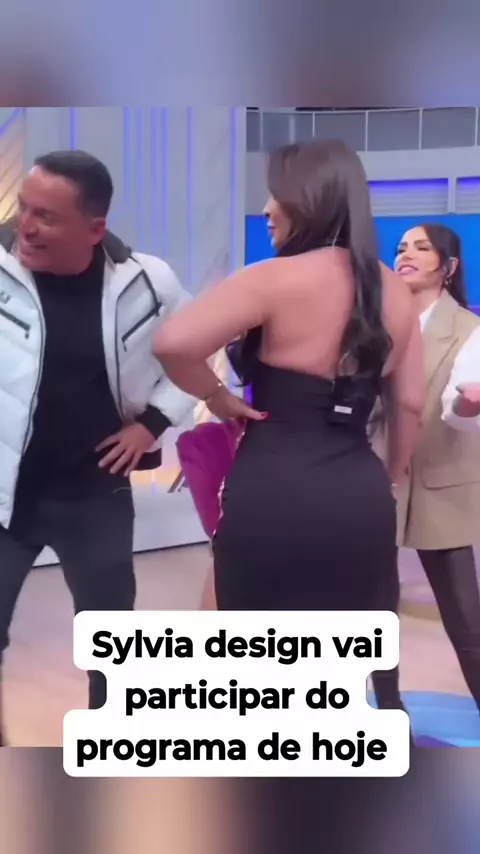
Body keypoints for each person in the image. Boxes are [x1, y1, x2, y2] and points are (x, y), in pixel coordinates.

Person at [154, 141, 424, 625]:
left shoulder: (271, 278)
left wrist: (215, 396)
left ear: (311, 198)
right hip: (361, 495)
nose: (266, 209)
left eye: (276, 195)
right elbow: (409, 404)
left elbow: (172, 345)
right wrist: (389, 480)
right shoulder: (397, 292)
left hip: (274, 487)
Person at [0, 150, 195, 743]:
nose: (25, 226)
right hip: (6, 499)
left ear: (94, 228)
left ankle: (110, 753)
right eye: (23, 208)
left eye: (46, 216)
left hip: (94, 496)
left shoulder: (147, 280)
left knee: (110, 642)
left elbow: (196, 353)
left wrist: (152, 424)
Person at [371, 223, 480, 713]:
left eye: (421, 247)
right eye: (400, 248)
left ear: (448, 266)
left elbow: (460, 410)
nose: (406, 255)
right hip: (376, 480)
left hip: (442, 481)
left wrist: (469, 406)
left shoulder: (470, 329)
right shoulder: (375, 325)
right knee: (376, 612)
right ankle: (389, 710)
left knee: (466, 618)